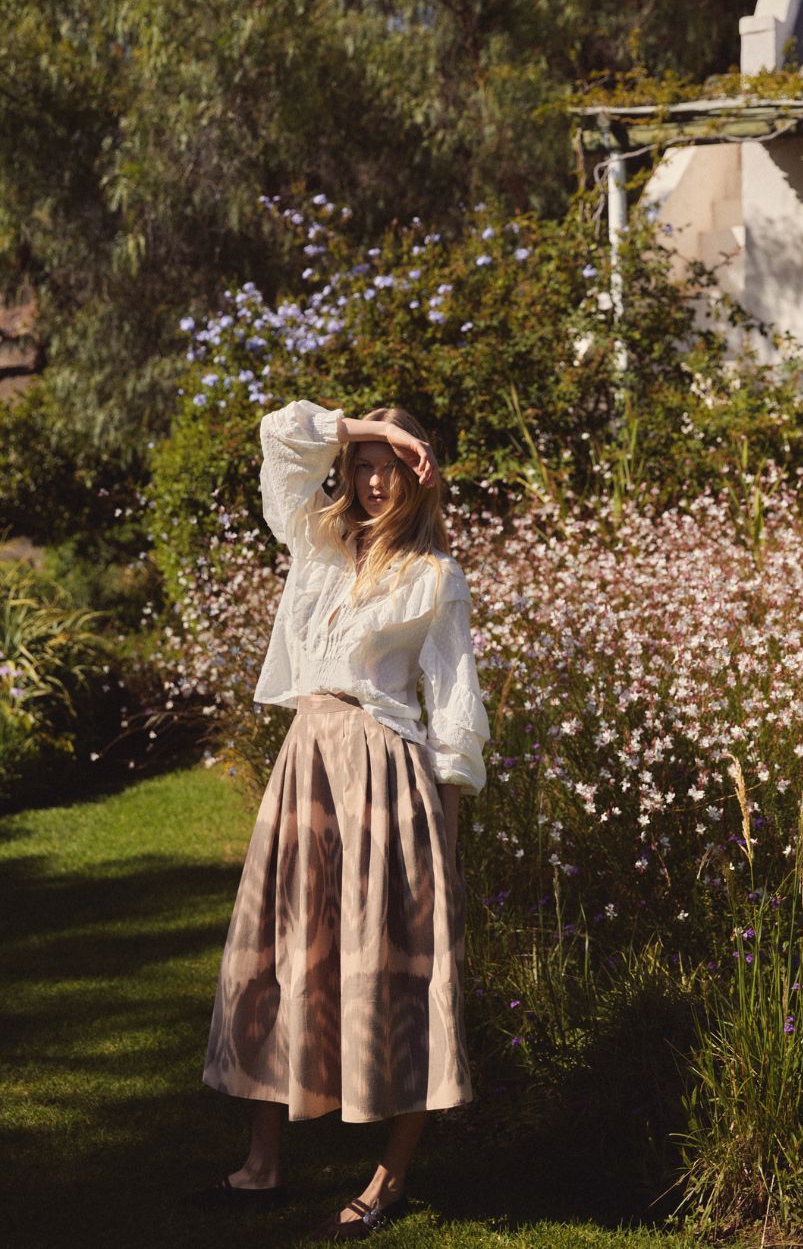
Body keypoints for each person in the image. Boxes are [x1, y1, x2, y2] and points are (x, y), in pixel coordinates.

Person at [199, 398, 490, 1242]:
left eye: (387, 468)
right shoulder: (316, 544)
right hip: (307, 765)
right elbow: (279, 436)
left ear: (415, 480)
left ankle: (386, 1181)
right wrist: (382, 427)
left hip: (386, 775)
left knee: (398, 966)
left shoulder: (435, 577)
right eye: (361, 463)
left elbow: (455, 703)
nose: (368, 480)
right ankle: (262, 1166)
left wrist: (446, 812)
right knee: (281, 949)